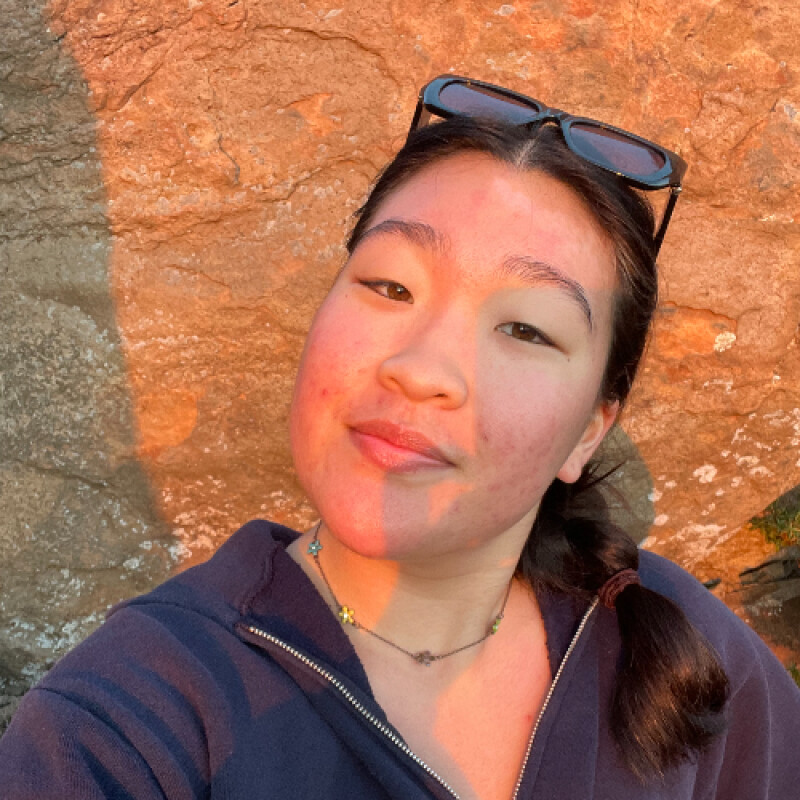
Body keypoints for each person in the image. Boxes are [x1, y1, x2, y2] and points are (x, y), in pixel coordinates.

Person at [1, 75, 799, 800]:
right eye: (390, 285)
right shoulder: (127, 730)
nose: (422, 369)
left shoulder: (686, 653)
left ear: (589, 432)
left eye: (525, 329)